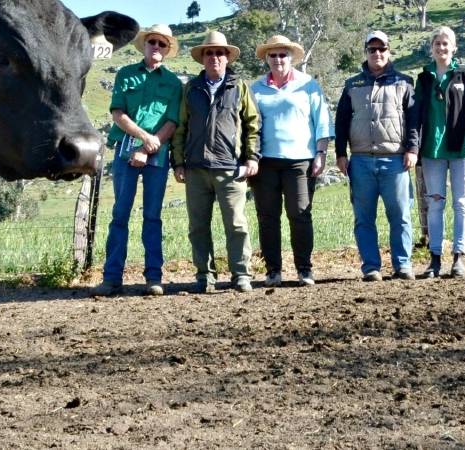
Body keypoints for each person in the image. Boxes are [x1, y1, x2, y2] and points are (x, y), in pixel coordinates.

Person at [92, 24, 182, 296]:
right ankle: (111, 278)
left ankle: (154, 277)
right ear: (144, 45)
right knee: (120, 214)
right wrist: (144, 137)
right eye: (152, 42)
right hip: (126, 152)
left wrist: (151, 146)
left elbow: (172, 121)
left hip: (158, 154)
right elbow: (118, 113)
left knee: (152, 216)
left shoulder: (174, 83)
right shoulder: (125, 74)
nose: (156, 47)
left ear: (167, 50)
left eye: (161, 44)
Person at [171, 31, 259, 293]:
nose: (214, 57)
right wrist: (178, 162)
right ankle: (204, 276)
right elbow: (180, 128)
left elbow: (252, 125)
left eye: (219, 52)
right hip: (196, 169)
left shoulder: (239, 87)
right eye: (209, 52)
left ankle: (241, 274)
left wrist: (251, 158)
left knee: (236, 225)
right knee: (198, 226)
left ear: (227, 57)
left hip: (230, 170)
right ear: (203, 58)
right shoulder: (190, 89)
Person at [334, 30, 420, 282]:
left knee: (401, 216)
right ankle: (371, 267)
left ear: (389, 51)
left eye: (381, 49)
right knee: (363, 219)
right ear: (366, 53)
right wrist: (341, 153)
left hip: (395, 159)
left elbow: (414, 120)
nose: (377, 54)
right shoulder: (353, 85)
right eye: (372, 50)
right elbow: (341, 121)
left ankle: (402, 265)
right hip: (360, 161)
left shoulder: (404, 82)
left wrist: (413, 149)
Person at [249, 35, 333, 287]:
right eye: (272, 55)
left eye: (282, 55)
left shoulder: (308, 85)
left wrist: (321, 153)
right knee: (267, 217)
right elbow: (250, 126)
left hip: (300, 162)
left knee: (299, 214)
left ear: (291, 58)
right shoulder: (256, 89)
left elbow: (322, 123)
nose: (278, 59)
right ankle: (273, 271)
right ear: (266, 59)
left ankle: (304, 269)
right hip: (265, 163)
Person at [416, 26, 465, 278]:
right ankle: (434, 259)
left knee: (461, 202)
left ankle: (458, 258)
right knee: (435, 203)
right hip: (432, 150)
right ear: (431, 47)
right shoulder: (423, 78)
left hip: (461, 149)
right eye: (437, 43)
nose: (441, 48)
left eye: (446, 43)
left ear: (454, 47)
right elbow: (417, 114)